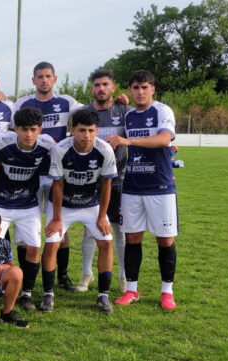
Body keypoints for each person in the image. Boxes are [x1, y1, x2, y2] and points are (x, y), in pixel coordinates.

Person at [107, 70, 179, 310]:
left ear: (152, 90)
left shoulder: (162, 111)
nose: (140, 92)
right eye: (135, 88)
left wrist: (129, 141)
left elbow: (164, 139)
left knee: (165, 240)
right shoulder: (128, 117)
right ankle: (132, 290)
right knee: (132, 238)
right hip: (132, 186)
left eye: (144, 87)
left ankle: (167, 292)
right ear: (129, 90)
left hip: (160, 186)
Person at [0, 107, 55, 310]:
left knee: (34, 247)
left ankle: (26, 293)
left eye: (33, 129)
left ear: (40, 130)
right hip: (0, 203)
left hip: (28, 204)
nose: (28, 134)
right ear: (15, 129)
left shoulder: (47, 144)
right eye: (24, 129)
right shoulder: (1, 142)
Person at [15, 61, 85, 292]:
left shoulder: (67, 102)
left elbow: (89, 113)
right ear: (33, 80)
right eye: (39, 76)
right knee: (27, 229)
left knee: (59, 226)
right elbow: (11, 128)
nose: (44, 80)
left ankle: (62, 276)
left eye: (48, 76)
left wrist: (117, 104)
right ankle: (27, 279)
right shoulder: (22, 103)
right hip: (31, 175)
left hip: (58, 175)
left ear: (54, 79)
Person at [41, 109, 118, 313]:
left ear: (97, 130)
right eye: (82, 130)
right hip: (62, 205)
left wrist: (102, 216)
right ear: (72, 130)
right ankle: (48, 294)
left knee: (106, 242)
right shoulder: (61, 150)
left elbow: (106, 184)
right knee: (51, 244)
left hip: (90, 204)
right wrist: (57, 218)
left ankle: (103, 295)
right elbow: (57, 184)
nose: (87, 135)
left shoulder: (105, 150)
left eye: (91, 131)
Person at [76, 69, 131, 293]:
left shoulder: (125, 110)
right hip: (92, 181)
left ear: (113, 87)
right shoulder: (84, 112)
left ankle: (123, 275)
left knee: (119, 229)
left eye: (105, 84)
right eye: (97, 85)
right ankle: (86, 273)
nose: (101, 89)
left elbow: (136, 133)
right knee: (90, 229)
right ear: (92, 89)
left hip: (119, 180)